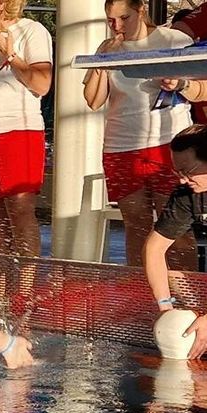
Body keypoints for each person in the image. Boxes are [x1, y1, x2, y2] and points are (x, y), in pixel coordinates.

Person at [84, 0, 197, 269]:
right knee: (135, 224)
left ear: (142, 10)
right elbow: (92, 100)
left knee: (176, 226)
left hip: (168, 143)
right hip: (121, 144)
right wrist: (103, 61)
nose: (118, 27)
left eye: (125, 18)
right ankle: (142, 294)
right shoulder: (107, 46)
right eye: (111, 20)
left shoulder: (173, 41)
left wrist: (179, 84)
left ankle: (191, 296)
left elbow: (200, 90)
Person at [0, 0, 53, 257]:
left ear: (1, 3)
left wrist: (11, 54)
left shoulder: (32, 31)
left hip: (19, 129)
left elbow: (42, 84)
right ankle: (1, 289)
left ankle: (24, 293)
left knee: (20, 212)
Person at [144, 124, 207, 359]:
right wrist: (165, 306)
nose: (182, 180)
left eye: (188, 170)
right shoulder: (187, 194)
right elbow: (154, 249)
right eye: (177, 172)